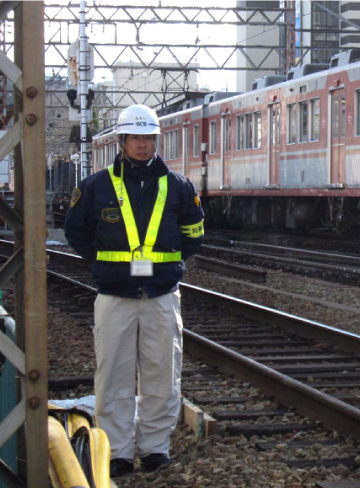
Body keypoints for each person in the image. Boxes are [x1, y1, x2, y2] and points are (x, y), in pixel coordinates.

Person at [64, 104, 204, 477]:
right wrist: (102, 263)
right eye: (136, 138)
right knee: (113, 377)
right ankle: (117, 451)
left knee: (163, 374)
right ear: (122, 142)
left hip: (160, 295)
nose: (143, 145)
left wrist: (167, 266)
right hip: (115, 296)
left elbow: (194, 233)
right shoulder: (96, 187)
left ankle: (155, 448)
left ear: (156, 141)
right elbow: (74, 231)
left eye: (148, 138)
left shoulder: (177, 186)